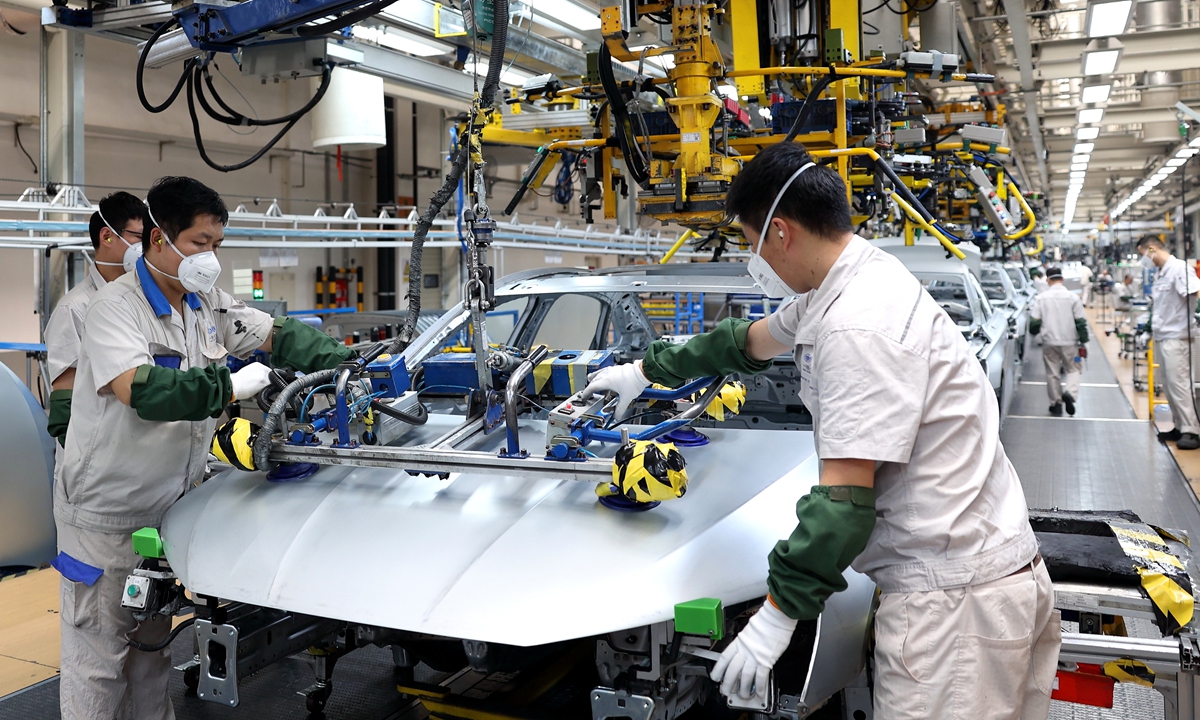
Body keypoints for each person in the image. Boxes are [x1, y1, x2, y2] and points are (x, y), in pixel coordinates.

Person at [583, 143, 1058, 719]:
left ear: (781, 233)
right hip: (983, 576)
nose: (753, 261)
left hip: (953, 608)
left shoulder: (855, 327)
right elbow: (746, 342)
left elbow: (843, 508)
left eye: (750, 243)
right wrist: (643, 371)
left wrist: (775, 618)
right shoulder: (848, 281)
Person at [52, 176, 357, 720]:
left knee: (151, 653)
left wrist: (352, 364)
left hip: (166, 507)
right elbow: (139, 389)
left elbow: (274, 333)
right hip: (105, 514)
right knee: (99, 659)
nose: (209, 258)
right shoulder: (112, 309)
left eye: (216, 244)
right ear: (158, 239)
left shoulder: (203, 302)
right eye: (199, 243)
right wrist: (227, 387)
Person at [45, 192, 149, 449]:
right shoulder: (74, 309)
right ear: (107, 236)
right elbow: (66, 404)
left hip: (142, 445)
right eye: (138, 237)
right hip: (97, 457)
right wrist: (88, 459)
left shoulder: (144, 300)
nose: (145, 247)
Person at [1137, 235, 1200, 450]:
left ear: (1152, 249)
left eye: (1142, 254)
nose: (1143, 260)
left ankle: (1192, 431)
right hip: (1163, 336)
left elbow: (1196, 292)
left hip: (1178, 337)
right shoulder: (1160, 273)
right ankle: (1179, 426)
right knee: (1168, 385)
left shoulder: (1179, 269)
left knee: (1180, 384)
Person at [1029, 267, 1088, 416]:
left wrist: (1034, 333)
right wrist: (1083, 340)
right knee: (1074, 369)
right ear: (1062, 279)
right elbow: (1080, 322)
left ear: (1048, 280)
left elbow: (1034, 323)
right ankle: (1070, 393)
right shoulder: (1073, 298)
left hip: (1049, 342)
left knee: (1052, 372)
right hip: (1070, 342)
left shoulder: (1041, 298)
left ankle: (1056, 403)